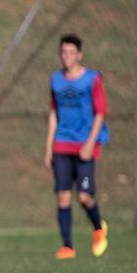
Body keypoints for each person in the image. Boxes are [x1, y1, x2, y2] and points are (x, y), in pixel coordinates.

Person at [45, 33, 109, 260]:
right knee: (63, 197)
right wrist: (48, 146)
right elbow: (53, 112)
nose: (67, 56)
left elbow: (101, 112)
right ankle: (67, 247)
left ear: (79, 55)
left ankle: (98, 228)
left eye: (71, 52)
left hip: (85, 144)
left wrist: (91, 142)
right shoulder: (56, 80)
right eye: (63, 52)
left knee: (84, 197)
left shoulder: (92, 79)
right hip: (62, 143)